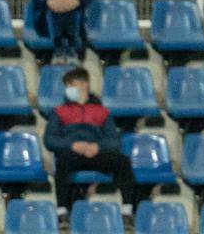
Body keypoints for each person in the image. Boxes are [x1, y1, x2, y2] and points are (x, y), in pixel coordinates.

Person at [45, 67, 140, 217]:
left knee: (122, 161)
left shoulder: (101, 111)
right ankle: (62, 211)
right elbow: (49, 140)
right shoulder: (59, 111)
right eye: (67, 86)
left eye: (72, 84)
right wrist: (73, 145)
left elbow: (114, 141)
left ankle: (127, 210)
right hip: (72, 154)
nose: (68, 89)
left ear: (85, 85)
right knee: (62, 162)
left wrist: (97, 146)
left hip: (96, 153)